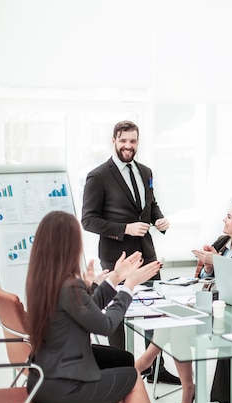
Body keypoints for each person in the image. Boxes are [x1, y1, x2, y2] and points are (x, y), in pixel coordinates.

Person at [25, 210, 161, 403]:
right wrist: (129, 287)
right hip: (65, 385)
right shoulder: (69, 285)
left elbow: (87, 311)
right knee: (133, 377)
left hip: (42, 379)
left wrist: (115, 278)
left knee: (121, 382)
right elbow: (105, 325)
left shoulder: (43, 281)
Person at [135, 203, 232, 403]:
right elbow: (205, 279)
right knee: (173, 322)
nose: (224, 219)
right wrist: (208, 267)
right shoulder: (222, 242)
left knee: (175, 324)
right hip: (208, 307)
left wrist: (216, 261)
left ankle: (148, 361)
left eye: (229, 216)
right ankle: (185, 385)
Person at [81, 120, 178, 384]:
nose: (128, 146)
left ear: (138, 142)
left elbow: (151, 204)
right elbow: (88, 220)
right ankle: (119, 372)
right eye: (123, 141)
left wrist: (160, 219)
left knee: (154, 312)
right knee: (118, 318)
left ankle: (154, 369)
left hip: (147, 254)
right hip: (117, 259)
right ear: (113, 141)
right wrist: (124, 228)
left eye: (133, 141)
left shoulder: (146, 171)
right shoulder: (98, 175)